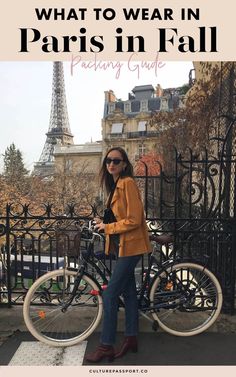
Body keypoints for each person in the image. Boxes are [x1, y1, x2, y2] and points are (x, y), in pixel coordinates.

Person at [85, 147, 151, 363]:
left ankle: (106, 346)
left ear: (124, 164)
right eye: (108, 160)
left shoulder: (127, 183)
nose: (111, 164)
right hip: (124, 246)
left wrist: (108, 228)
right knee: (130, 294)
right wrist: (102, 223)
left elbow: (134, 219)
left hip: (132, 247)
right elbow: (118, 216)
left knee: (110, 295)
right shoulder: (115, 186)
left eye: (116, 161)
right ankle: (131, 338)